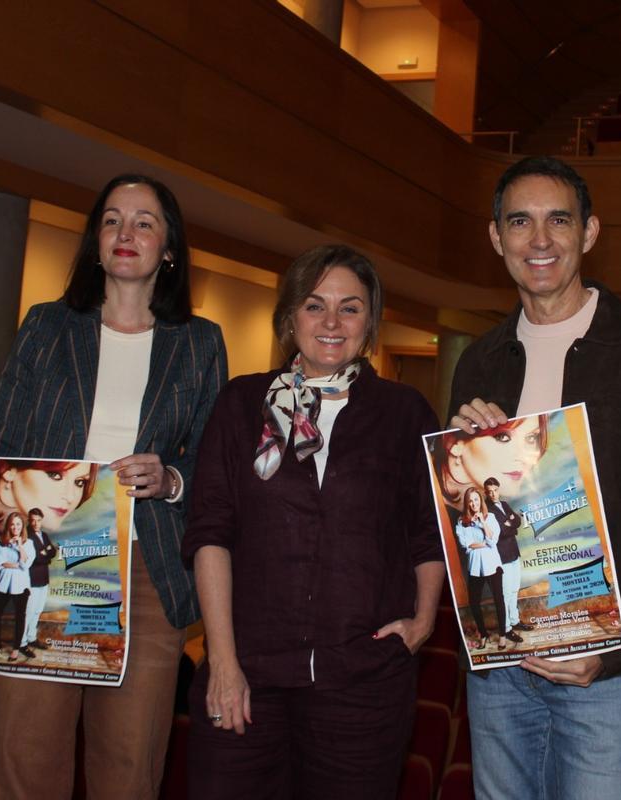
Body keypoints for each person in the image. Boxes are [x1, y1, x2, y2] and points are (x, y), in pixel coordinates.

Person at [0, 174, 228, 800]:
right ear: (95, 242)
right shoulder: (46, 327)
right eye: (112, 220)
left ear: (169, 248)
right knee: (22, 757)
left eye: (145, 222)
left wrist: (171, 478)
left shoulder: (201, 342)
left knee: (129, 768)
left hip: (146, 569)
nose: (126, 233)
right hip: (41, 555)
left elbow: (212, 463)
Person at [448, 155, 621, 799]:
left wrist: (616, 650)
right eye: (520, 222)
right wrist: (462, 458)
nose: (540, 240)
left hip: (606, 672)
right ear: (495, 238)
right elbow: (462, 514)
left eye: (558, 220)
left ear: (589, 232)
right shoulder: (478, 361)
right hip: (500, 667)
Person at [184, 244, 443, 799]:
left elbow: (429, 530)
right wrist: (223, 663)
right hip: (248, 673)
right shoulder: (241, 403)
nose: (331, 322)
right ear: (289, 318)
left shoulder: (404, 412)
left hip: (363, 682)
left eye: (349, 307)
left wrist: (423, 620)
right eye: (314, 305)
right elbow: (211, 532)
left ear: (369, 322)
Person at [455, 486, 509, 650]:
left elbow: (493, 541)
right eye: (470, 501)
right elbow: (466, 545)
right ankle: (484, 635)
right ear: (467, 503)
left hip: (493, 565)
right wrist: (484, 543)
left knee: (499, 600)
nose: (473, 504)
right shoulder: (461, 521)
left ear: (480, 500)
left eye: (476, 500)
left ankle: (502, 635)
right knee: (473, 603)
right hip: (475, 567)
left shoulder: (490, 517)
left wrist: (482, 522)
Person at [484, 476, 529, 639]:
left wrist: (509, 524)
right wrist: (508, 525)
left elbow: (516, 520)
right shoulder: (486, 510)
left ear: (498, 489)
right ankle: (506, 628)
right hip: (501, 557)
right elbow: (500, 532)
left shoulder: (504, 504)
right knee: (505, 593)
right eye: (490, 492)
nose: (493, 494)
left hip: (514, 553)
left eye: (495, 490)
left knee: (514, 589)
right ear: (486, 493)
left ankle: (515, 620)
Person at [0, 511, 34, 661]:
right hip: (3, 584)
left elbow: (26, 564)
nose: (15, 527)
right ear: (8, 525)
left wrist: (20, 547)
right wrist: (18, 564)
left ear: (22, 526)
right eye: (12, 524)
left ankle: (16, 648)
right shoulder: (0, 541)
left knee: (20, 617)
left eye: (18, 524)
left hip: (21, 585)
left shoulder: (29, 543)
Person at [21, 507, 57, 651]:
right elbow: (33, 558)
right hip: (31, 579)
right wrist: (44, 554)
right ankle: (22, 642)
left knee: (37, 611)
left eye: (38, 520)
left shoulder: (45, 535)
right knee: (29, 611)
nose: (36, 523)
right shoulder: (26, 536)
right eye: (33, 520)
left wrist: (44, 553)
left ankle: (31, 638)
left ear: (42, 520)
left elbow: (52, 552)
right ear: (29, 521)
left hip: (43, 578)